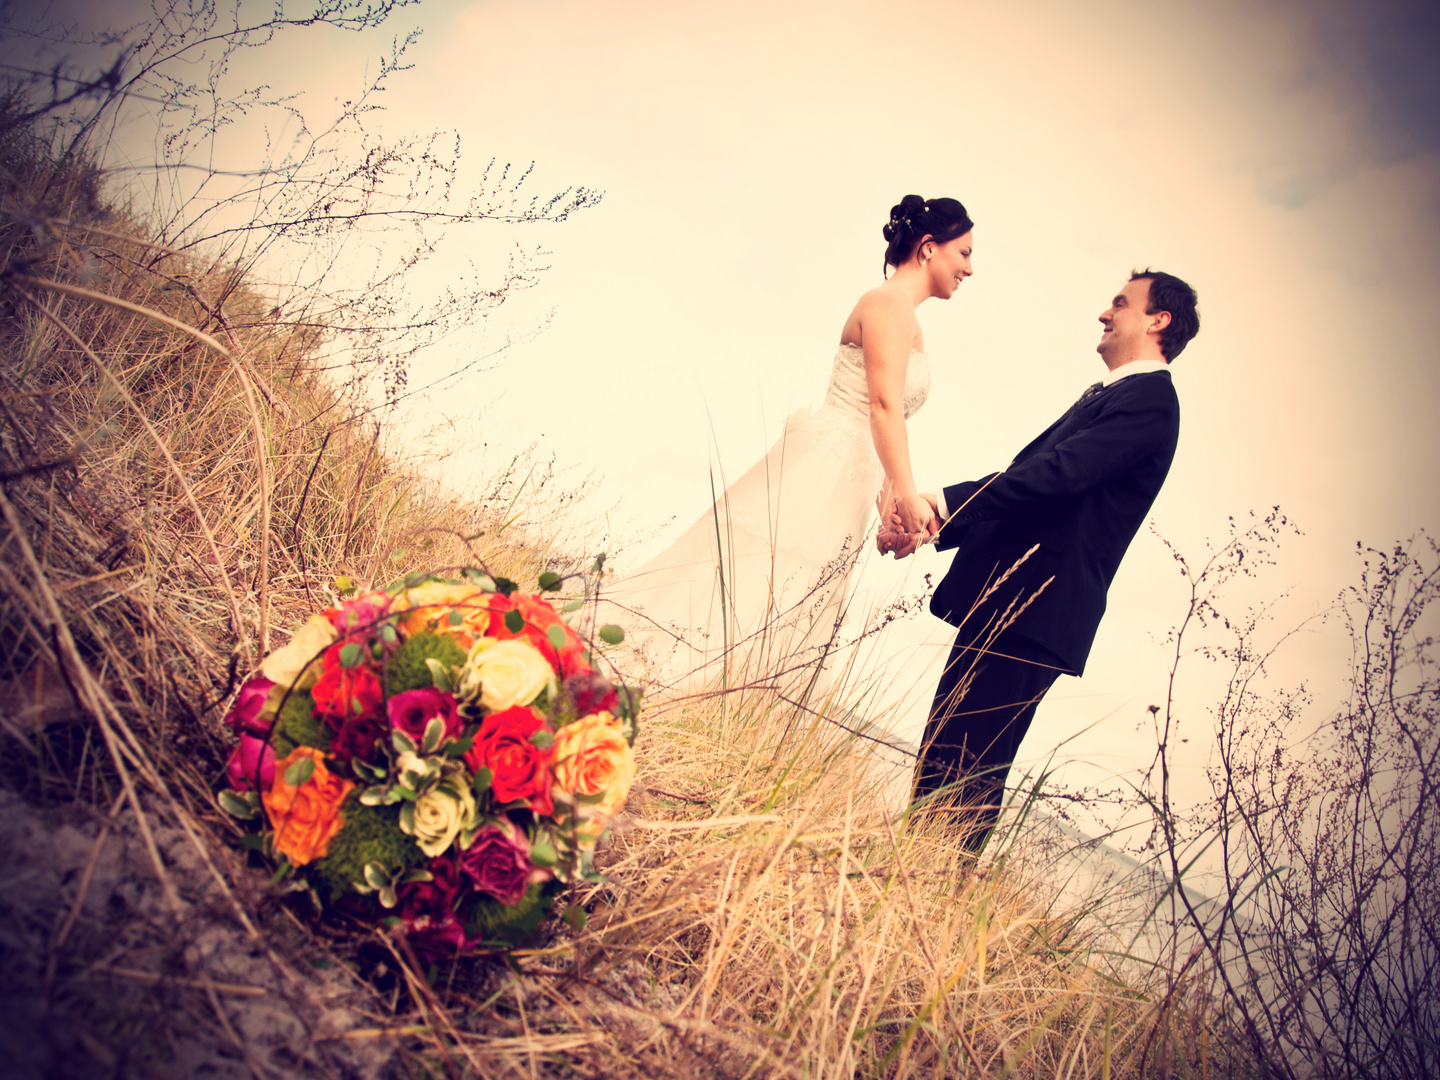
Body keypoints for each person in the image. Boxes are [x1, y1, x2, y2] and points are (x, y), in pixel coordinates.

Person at [880, 269, 1200, 851]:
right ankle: (911, 883)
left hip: (1038, 608)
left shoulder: (1151, 400)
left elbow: (1055, 477)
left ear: (1159, 320)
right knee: (945, 749)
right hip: (1012, 598)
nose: (1105, 314)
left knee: (971, 762)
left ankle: (932, 896)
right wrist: (937, 518)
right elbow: (1036, 479)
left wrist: (944, 504)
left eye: (1120, 304)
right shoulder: (1116, 395)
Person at [604, 195, 973, 683]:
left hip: (851, 478)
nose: (970, 268)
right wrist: (909, 496)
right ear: (929, 248)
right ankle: (652, 679)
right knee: (761, 580)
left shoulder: (907, 318)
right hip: (823, 467)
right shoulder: (887, 304)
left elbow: (887, 418)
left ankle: (718, 705)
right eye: (964, 253)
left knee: (792, 598)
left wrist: (890, 505)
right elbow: (881, 408)